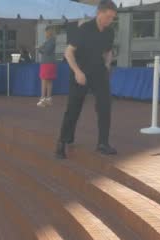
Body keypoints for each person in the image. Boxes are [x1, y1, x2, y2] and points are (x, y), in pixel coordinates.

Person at [55, 0, 118, 159]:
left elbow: (108, 51)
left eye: (112, 18)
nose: (110, 20)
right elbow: (68, 53)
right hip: (80, 72)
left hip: (99, 72)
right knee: (73, 108)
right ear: (99, 13)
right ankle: (63, 141)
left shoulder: (109, 32)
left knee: (105, 106)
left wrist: (107, 65)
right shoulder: (84, 29)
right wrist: (77, 72)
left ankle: (103, 143)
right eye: (108, 17)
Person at [37, 26, 57, 108]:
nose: (45, 33)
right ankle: (48, 99)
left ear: (49, 32)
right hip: (50, 63)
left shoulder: (51, 41)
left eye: (46, 32)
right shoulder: (50, 41)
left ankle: (42, 99)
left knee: (44, 80)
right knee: (49, 81)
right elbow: (44, 50)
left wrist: (40, 48)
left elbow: (46, 51)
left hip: (47, 63)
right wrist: (41, 48)